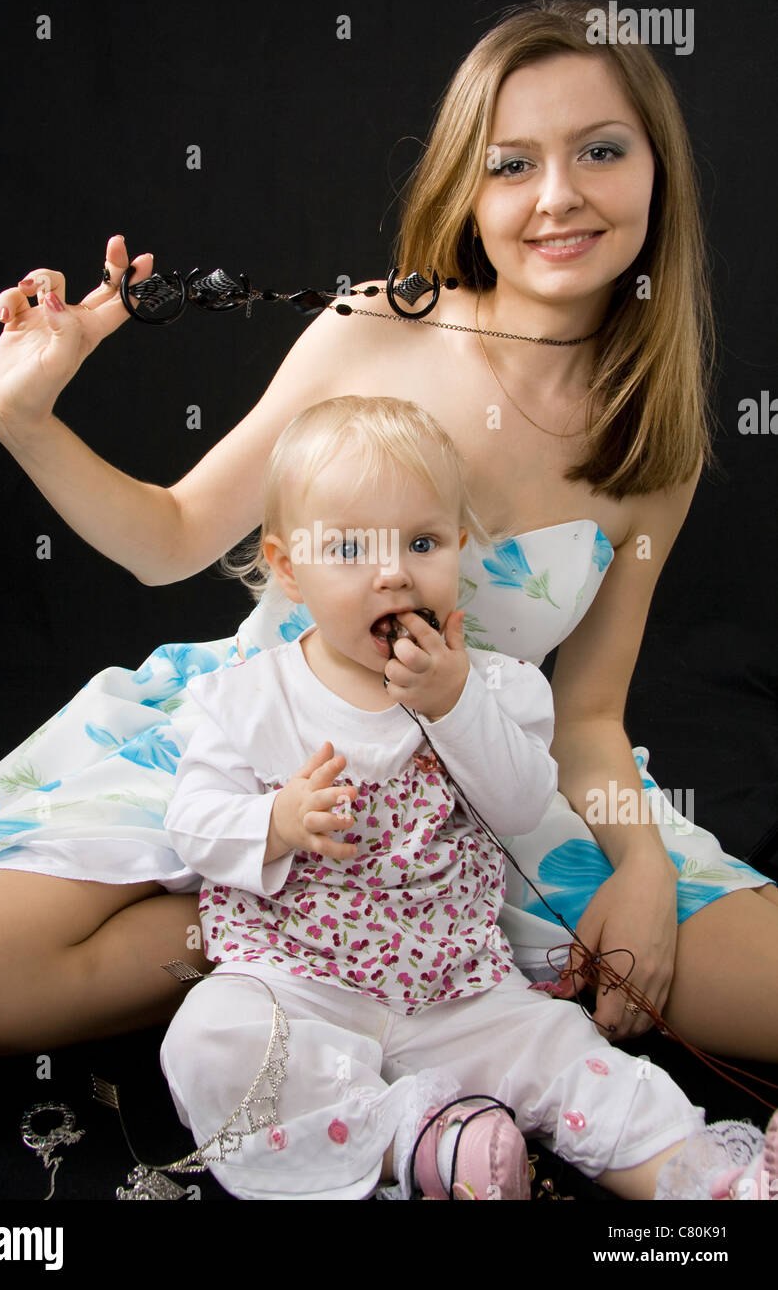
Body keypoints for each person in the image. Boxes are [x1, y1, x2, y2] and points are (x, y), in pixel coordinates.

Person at [0, 0, 776, 1061]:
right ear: (466, 184)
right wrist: (23, 418)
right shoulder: (373, 331)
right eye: (511, 164)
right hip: (281, 750)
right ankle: (319, 941)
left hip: (483, 776)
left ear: (657, 172)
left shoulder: (655, 443)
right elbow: (172, 536)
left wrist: (640, 876)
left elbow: (587, 717)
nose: (558, 197)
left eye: (599, 151)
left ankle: (444, 951)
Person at [158, 394, 775, 1201]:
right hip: (299, 984)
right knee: (210, 1042)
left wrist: (456, 706)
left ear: (458, 546)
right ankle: (417, 1147)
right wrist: (271, 823)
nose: (394, 572)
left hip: (460, 989)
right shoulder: (245, 699)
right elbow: (192, 824)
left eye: (423, 542)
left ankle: (707, 1182)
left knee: (574, 1058)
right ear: (287, 567)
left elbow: (520, 806)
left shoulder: (498, 688)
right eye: (350, 548)